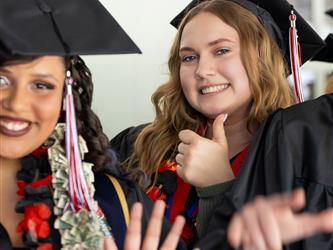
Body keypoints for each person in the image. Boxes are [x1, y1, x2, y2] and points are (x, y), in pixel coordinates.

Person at [110, 0, 324, 246]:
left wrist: (218, 188)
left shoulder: (298, 165)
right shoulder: (139, 148)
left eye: (221, 50)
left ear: (264, 60)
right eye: (189, 57)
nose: (202, 69)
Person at [0, 0, 185, 249]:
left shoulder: (114, 203)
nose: (17, 103)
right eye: (2, 80)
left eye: (42, 85)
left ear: (64, 98)